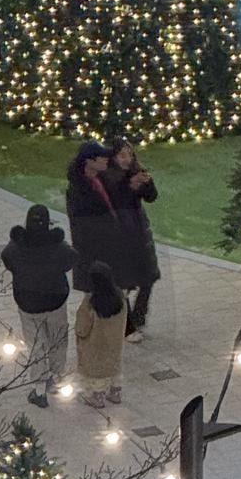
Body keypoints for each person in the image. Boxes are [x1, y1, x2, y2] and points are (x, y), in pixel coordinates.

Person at [1, 203, 75, 408]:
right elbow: (71, 259)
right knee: (58, 340)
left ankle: (39, 389)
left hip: (28, 303)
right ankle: (56, 377)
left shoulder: (17, 246)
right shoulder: (57, 246)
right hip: (55, 301)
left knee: (36, 346)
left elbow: (7, 258)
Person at [107, 138, 160, 339]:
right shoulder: (108, 177)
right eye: (122, 155)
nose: (127, 159)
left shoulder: (137, 171)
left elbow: (152, 197)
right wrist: (130, 186)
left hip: (139, 231)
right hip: (119, 233)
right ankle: (127, 325)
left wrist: (145, 184)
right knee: (123, 282)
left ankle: (140, 315)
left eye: (130, 154)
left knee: (148, 276)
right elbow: (114, 200)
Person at [66, 141, 123, 294]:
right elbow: (84, 231)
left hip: (110, 255)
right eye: (102, 157)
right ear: (89, 161)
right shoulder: (79, 192)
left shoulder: (99, 180)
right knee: (100, 306)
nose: (106, 160)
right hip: (95, 262)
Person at [75, 260, 127, 411]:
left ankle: (97, 396)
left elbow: (82, 327)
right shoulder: (120, 298)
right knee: (114, 367)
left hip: (95, 344)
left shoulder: (91, 302)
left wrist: (79, 333)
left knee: (97, 372)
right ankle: (115, 392)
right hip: (114, 342)